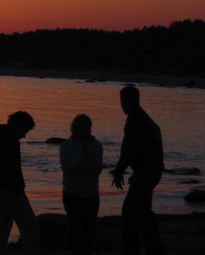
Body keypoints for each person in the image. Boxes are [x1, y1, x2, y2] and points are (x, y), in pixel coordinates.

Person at [111, 86, 164, 255]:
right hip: (150, 172)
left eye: (122, 102)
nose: (121, 106)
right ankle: (140, 248)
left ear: (128, 101)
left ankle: (147, 249)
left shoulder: (135, 120)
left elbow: (128, 149)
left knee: (139, 214)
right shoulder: (145, 119)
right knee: (134, 212)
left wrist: (119, 170)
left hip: (146, 173)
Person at [0, 111, 39, 255]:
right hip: (10, 190)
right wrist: (19, 188)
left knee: (0, 229)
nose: (24, 135)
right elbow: (12, 168)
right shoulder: (10, 140)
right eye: (25, 130)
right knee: (29, 226)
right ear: (19, 125)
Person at [59, 114, 103, 255]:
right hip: (72, 192)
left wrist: (89, 161)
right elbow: (67, 169)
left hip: (91, 193)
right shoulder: (66, 145)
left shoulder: (96, 145)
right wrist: (82, 160)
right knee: (75, 229)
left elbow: (97, 170)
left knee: (89, 230)